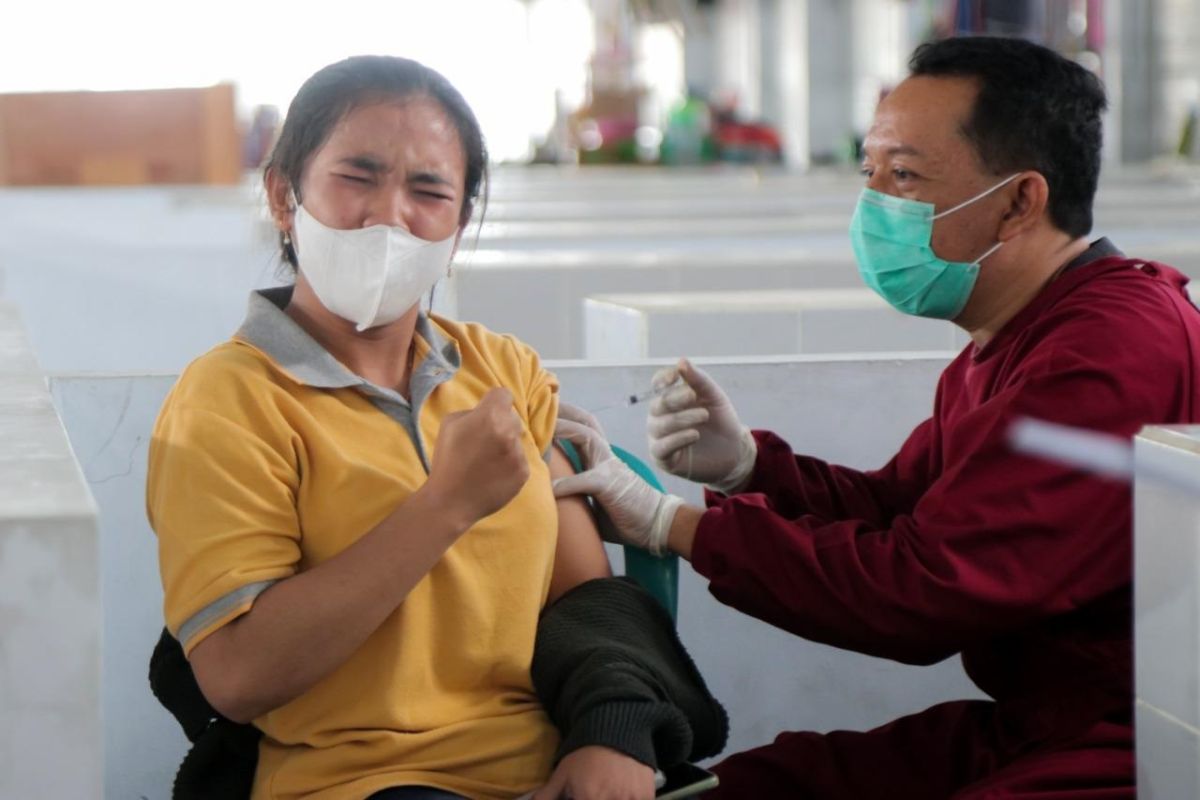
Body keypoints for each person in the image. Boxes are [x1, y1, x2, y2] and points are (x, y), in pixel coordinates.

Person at [555, 36, 1200, 799]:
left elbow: (926, 588)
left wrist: (673, 526)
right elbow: (909, 511)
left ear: (1021, 200)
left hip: (1137, 736)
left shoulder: (1106, 351)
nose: (875, 205)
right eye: (870, 173)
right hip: (1045, 718)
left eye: (905, 175)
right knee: (762, 783)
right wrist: (752, 469)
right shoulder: (1014, 337)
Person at [147, 55, 707, 800]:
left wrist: (614, 733)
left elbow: (582, 599)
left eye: (428, 189)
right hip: (363, 782)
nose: (389, 216)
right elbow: (238, 675)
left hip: (552, 767)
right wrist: (444, 505)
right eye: (358, 176)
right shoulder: (229, 400)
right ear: (285, 195)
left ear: (459, 223)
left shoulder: (503, 372)